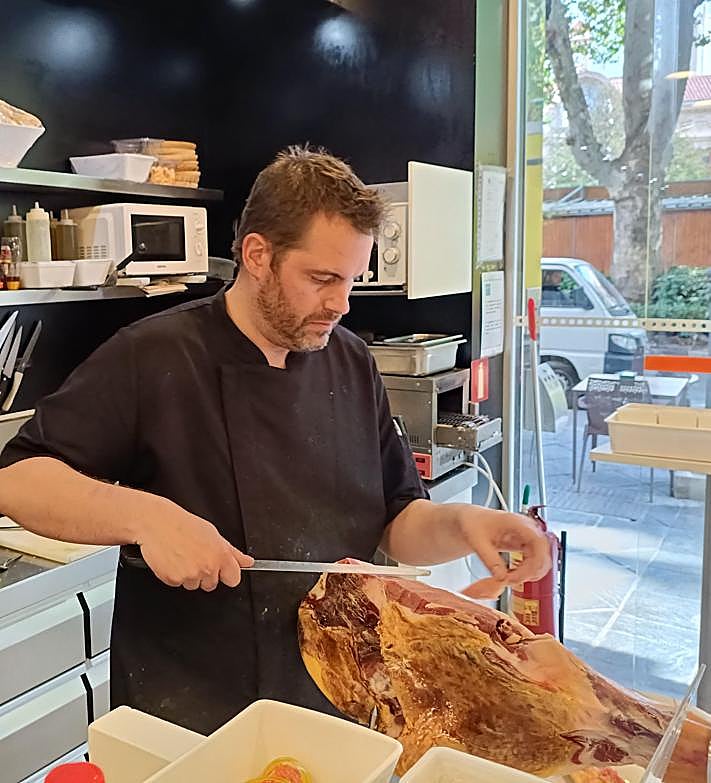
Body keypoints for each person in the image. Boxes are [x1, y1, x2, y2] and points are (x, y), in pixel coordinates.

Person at [0, 146, 549, 733]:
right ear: (257, 254)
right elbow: (18, 478)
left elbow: (396, 520)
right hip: (195, 705)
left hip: (339, 692)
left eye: (351, 281)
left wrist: (465, 526)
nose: (340, 303)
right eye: (321, 279)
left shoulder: (352, 361)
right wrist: (146, 517)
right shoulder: (153, 355)